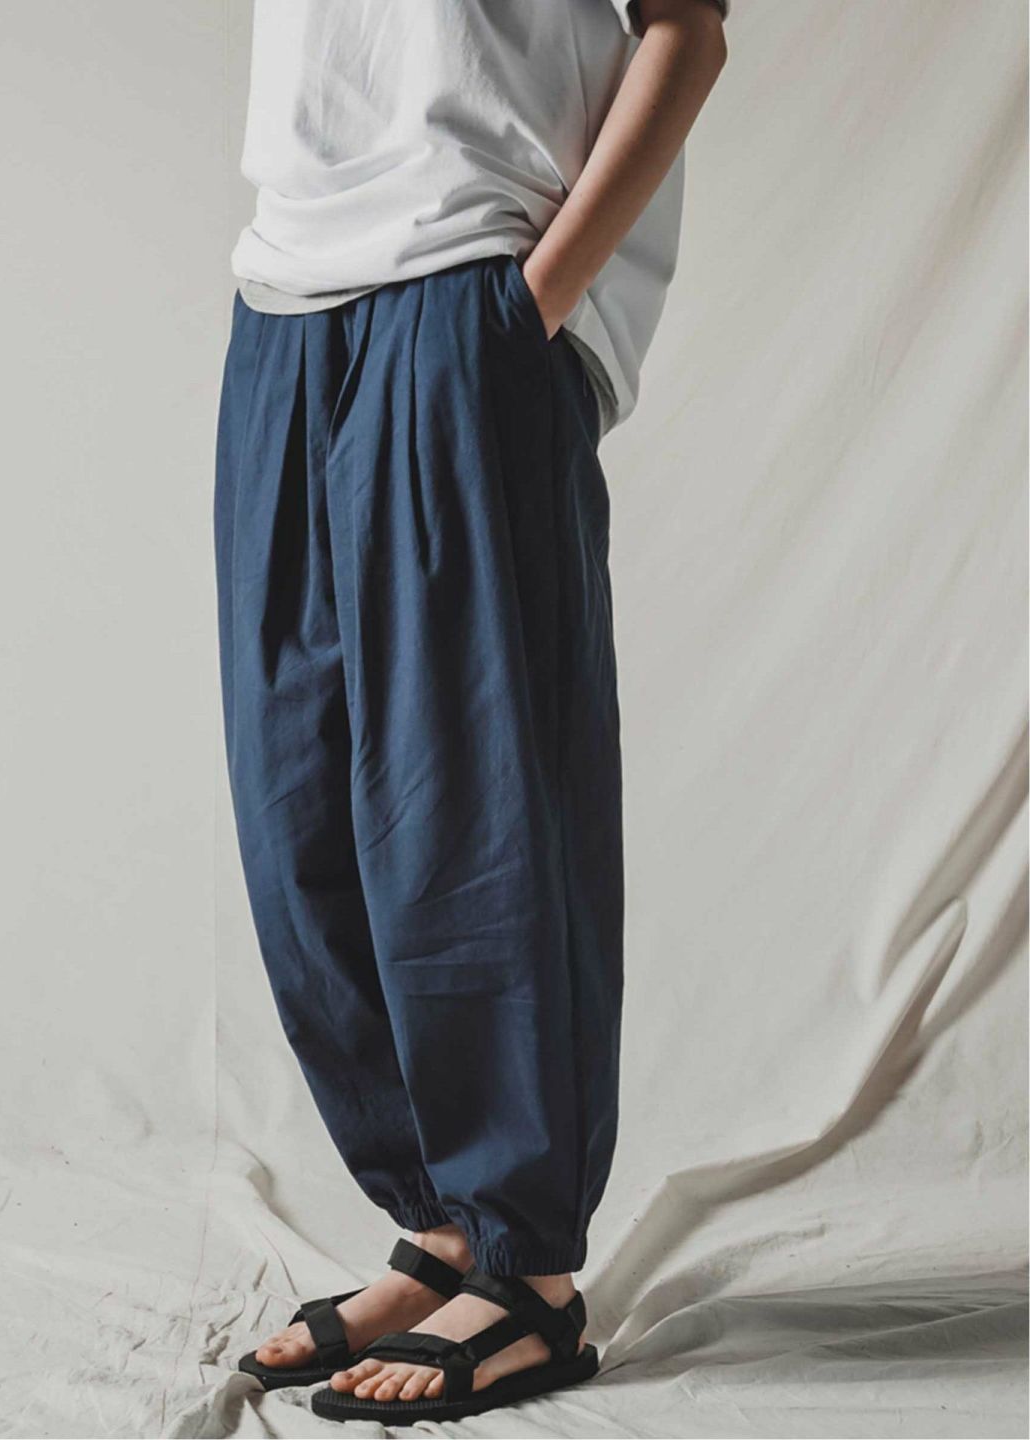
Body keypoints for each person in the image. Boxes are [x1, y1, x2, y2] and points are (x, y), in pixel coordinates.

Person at [214, 0, 728, 1422]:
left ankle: (531, 1278)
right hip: (281, 298)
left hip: (470, 280)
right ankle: (445, 1234)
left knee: (474, 809)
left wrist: (529, 304)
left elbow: (686, 31)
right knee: (300, 811)